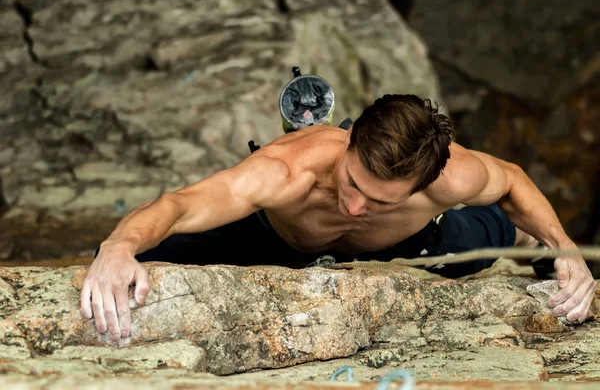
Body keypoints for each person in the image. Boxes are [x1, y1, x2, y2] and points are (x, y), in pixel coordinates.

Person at [80, 94, 596, 340]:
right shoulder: (286, 171)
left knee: (495, 234)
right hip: (279, 243)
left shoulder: (452, 176)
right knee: (137, 258)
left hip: (414, 244)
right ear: (347, 141)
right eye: (351, 183)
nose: (354, 208)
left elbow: (510, 180)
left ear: (423, 184)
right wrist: (118, 247)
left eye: (379, 200)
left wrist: (564, 249)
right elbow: (179, 204)